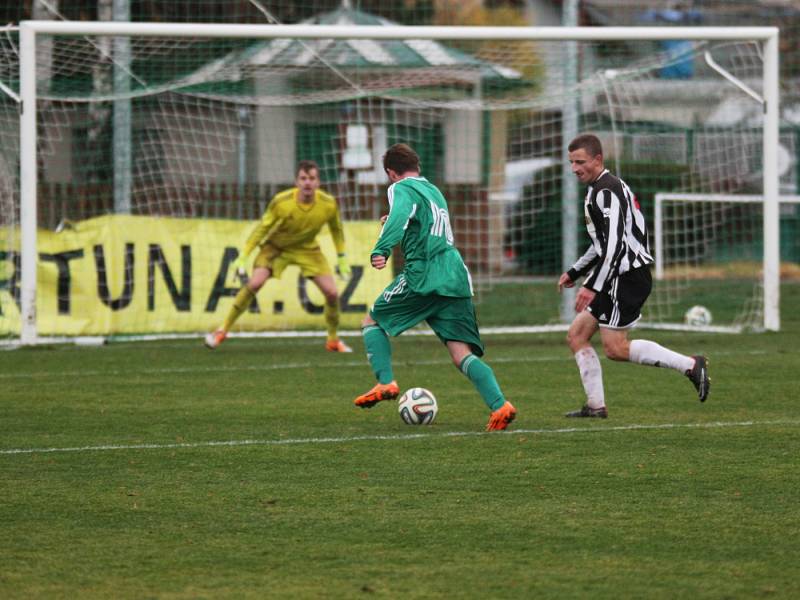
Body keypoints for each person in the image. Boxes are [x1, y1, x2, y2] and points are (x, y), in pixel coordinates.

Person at [353, 143, 516, 431]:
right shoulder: (433, 190)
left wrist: (382, 248)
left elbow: (402, 215)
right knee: (460, 353)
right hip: (455, 276)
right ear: (417, 166)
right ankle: (500, 406)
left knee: (373, 321)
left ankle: (385, 382)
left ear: (391, 173)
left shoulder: (400, 188)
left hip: (424, 276)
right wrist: (392, 220)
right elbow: (421, 223)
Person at [558, 133, 710, 418]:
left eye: (580, 162)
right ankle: (595, 406)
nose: (575, 168)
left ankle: (691, 365)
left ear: (598, 159)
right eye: (571, 162)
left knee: (615, 348)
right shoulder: (597, 190)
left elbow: (615, 247)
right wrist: (575, 271)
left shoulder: (607, 190)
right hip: (615, 275)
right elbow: (602, 245)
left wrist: (591, 285)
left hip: (626, 276)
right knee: (577, 335)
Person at [205, 160, 353, 352]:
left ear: (318, 182)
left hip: (308, 250)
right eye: (303, 178)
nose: (307, 183)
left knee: (332, 293)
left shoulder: (328, 204)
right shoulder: (281, 202)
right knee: (255, 283)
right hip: (277, 248)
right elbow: (262, 228)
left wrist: (341, 257)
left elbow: (336, 230)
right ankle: (221, 331)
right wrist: (244, 256)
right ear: (296, 182)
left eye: (312, 178)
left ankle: (333, 340)